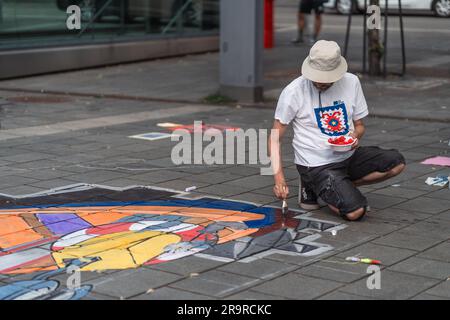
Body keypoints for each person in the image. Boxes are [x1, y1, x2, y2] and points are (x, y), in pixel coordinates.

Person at [269, 40, 406, 221]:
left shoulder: (352, 82)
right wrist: (279, 179)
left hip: (347, 156)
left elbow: (360, 126)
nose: (321, 82)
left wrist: (355, 136)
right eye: (317, 77)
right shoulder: (294, 91)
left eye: (327, 79)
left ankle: (328, 188)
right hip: (315, 163)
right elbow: (274, 137)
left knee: (396, 163)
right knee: (356, 212)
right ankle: (316, 184)